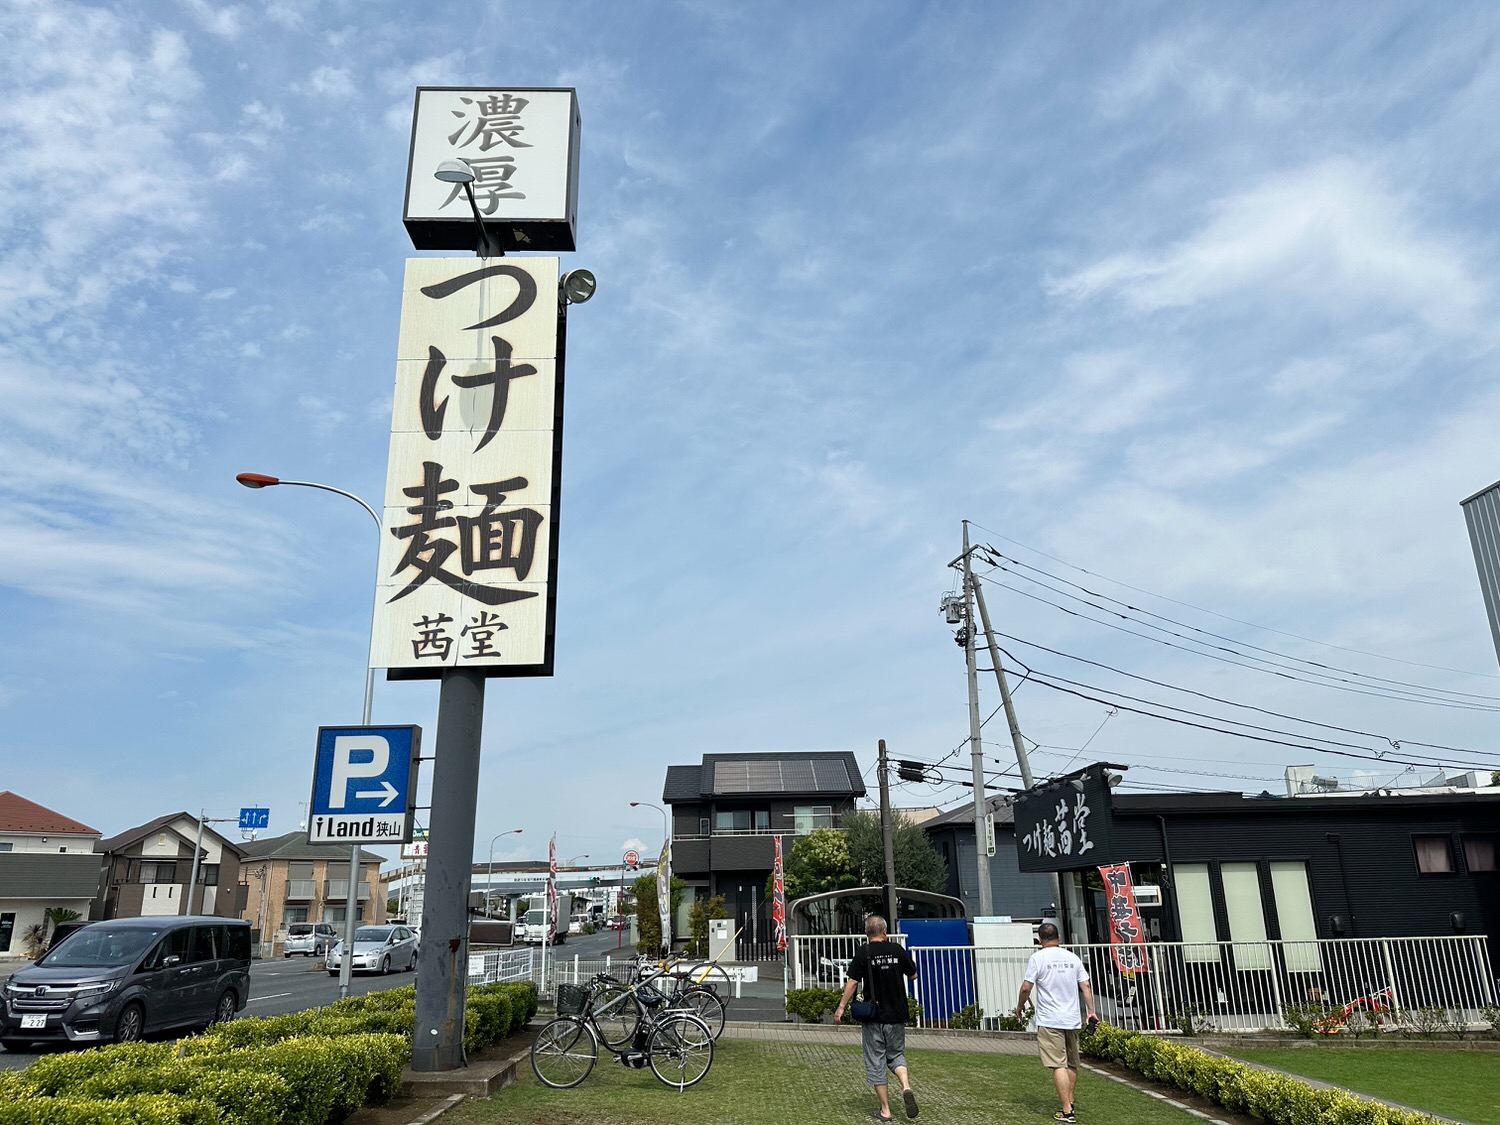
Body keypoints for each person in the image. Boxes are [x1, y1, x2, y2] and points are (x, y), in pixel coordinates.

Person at [834, 915, 920, 1121]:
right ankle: (906, 1086)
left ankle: (886, 1111)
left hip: (873, 1016)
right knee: (896, 1054)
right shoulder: (897, 950)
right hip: (897, 1014)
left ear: (867, 934)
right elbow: (914, 975)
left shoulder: (864, 952)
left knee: (876, 1061)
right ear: (884, 932)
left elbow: (853, 982)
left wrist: (841, 1007)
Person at [1015, 922, 1097, 1123]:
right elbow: (1085, 985)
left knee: (1057, 1064)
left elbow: (1026, 987)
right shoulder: (1072, 957)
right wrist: (1091, 1012)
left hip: (1050, 1019)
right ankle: (1070, 1101)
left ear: (1040, 939)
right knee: (1071, 1063)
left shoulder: (1037, 958)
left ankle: (1067, 1110)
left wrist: (1020, 1006)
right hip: (1072, 1019)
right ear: (1058, 937)